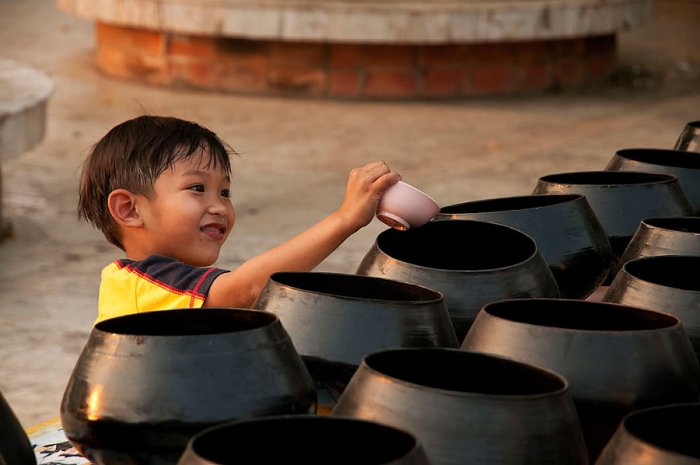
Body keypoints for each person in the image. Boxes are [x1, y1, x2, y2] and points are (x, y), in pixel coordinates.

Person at [78, 115, 401, 324]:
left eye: (225, 193)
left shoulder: (169, 286)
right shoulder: (145, 283)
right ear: (129, 209)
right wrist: (344, 219)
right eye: (197, 188)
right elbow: (248, 288)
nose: (218, 206)